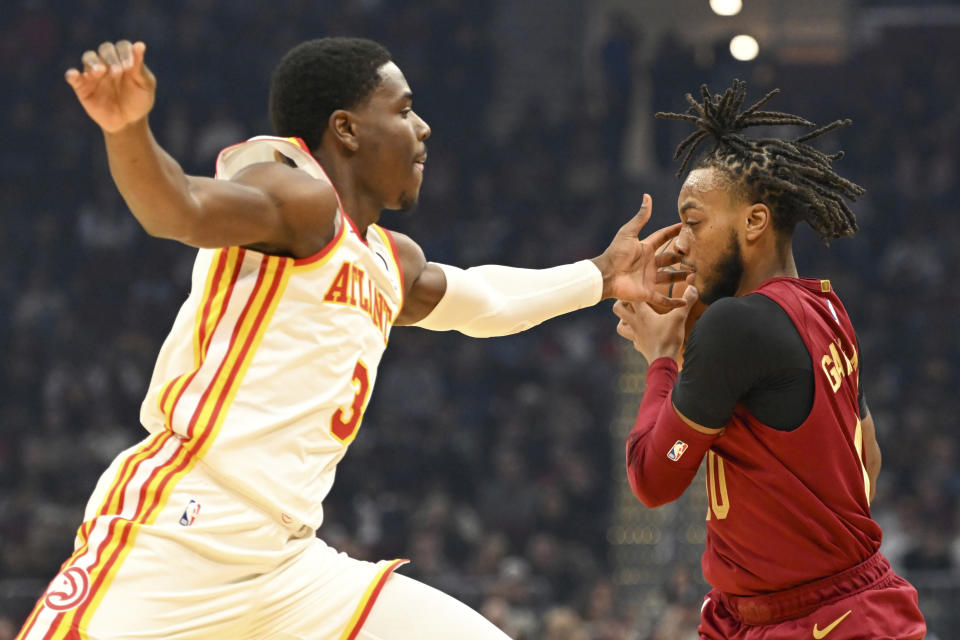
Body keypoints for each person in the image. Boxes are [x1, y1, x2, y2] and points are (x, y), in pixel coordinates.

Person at [17, 38, 687, 640]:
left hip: (287, 564)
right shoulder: (294, 196)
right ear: (346, 129)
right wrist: (128, 129)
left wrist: (600, 277)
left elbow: (485, 301)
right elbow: (180, 208)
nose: (422, 128)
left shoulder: (389, 260)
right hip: (183, 530)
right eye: (402, 110)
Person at [613, 80, 927, 639]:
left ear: (754, 222)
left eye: (693, 221)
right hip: (821, 604)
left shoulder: (736, 325)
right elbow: (868, 459)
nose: (680, 242)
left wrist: (660, 357)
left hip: (815, 617)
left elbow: (652, 480)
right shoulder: (826, 308)